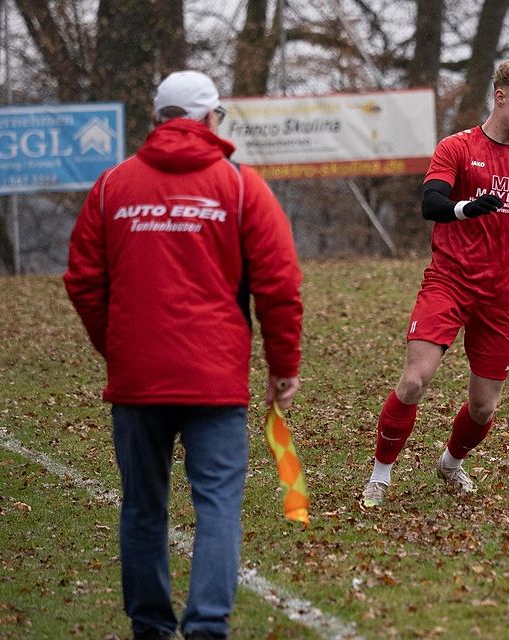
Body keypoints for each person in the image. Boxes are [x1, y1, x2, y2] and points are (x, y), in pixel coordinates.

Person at [64, 70, 303, 640]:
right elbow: (280, 286)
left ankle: (150, 626)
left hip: (138, 381)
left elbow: (83, 281)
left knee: (143, 508)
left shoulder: (111, 186)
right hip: (214, 383)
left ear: (157, 119)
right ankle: (207, 629)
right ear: (209, 119)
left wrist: (117, 348)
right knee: (218, 507)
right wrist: (283, 366)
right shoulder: (242, 186)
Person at [361, 59, 509, 508]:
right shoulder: (456, 148)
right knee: (415, 381)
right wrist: (464, 208)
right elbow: (430, 202)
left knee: (483, 408)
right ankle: (380, 476)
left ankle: (450, 465)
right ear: (501, 97)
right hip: (448, 284)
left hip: (502, 297)